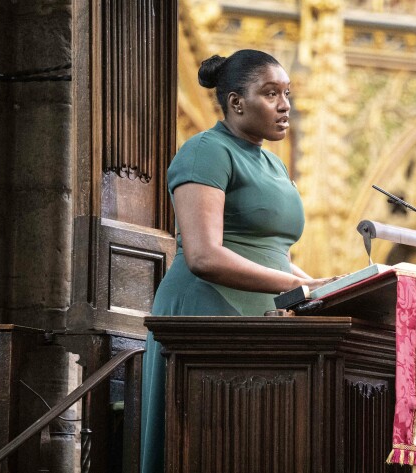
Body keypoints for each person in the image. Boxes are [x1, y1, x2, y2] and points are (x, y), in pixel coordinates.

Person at [140, 49, 330, 473]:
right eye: (271, 93)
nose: (285, 105)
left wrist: (323, 285)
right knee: (205, 446)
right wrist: (296, 288)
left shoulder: (274, 165)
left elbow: (272, 252)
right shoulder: (205, 151)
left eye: (287, 93)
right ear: (236, 102)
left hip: (259, 318)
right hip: (205, 313)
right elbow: (204, 255)